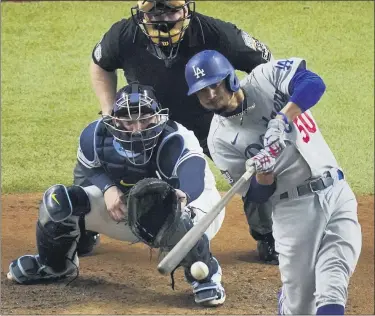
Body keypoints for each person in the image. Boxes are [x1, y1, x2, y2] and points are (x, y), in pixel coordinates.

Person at [77, 0, 276, 262]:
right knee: (104, 158)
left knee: (252, 168)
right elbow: (100, 64)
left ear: (185, 10)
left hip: (211, 122)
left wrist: (245, 108)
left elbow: (266, 66)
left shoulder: (215, 33)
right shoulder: (123, 35)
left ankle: (267, 236)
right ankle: (84, 227)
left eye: (171, 11)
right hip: (149, 128)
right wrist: (108, 112)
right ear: (141, 15)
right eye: (155, 13)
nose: (164, 20)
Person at [7, 83, 226, 307]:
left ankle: (206, 275)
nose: (137, 128)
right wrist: (107, 189)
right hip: (127, 211)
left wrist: (182, 197)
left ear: (158, 117)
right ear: (114, 120)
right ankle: (55, 267)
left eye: (145, 119)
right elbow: (90, 167)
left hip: (198, 209)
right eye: (129, 121)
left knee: (178, 214)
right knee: (58, 201)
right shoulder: (95, 136)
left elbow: (194, 176)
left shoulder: (176, 138)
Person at [184, 50, 362, 315]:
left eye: (214, 85)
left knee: (334, 282)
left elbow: (313, 82)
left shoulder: (264, 78)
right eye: (202, 92)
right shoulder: (219, 140)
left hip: (336, 191)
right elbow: (255, 196)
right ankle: (287, 303)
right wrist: (263, 176)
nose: (210, 95)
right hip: (294, 210)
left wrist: (282, 118)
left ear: (230, 78)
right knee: (300, 304)